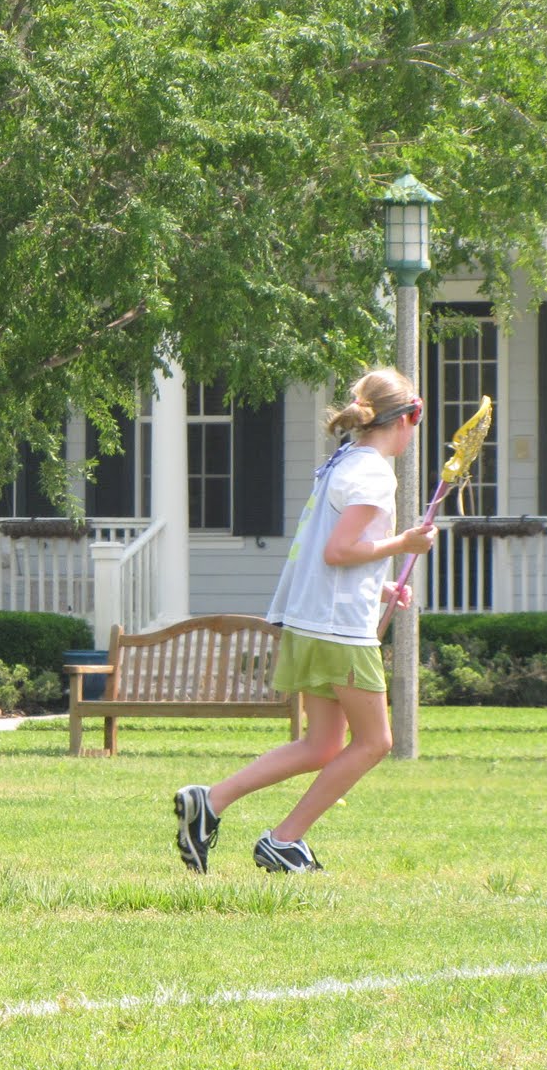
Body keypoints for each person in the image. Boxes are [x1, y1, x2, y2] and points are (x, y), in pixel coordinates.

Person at [174, 367, 438, 874]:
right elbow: (341, 551)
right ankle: (284, 839)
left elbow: (329, 551)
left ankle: (210, 802)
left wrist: (379, 581)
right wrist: (404, 544)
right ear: (408, 417)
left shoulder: (343, 462)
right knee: (375, 742)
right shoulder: (375, 473)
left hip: (313, 620)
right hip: (340, 629)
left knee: (321, 744)